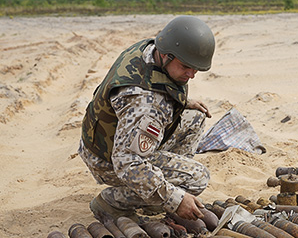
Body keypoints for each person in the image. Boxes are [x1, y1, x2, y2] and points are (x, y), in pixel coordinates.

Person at [78, 15, 215, 223]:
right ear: (167, 55)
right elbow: (127, 162)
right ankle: (112, 202)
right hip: (107, 160)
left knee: (194, 117)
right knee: (197, 179)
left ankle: (153, 192)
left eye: (196, 68)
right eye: (186, 66)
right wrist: (174, 198)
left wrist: (182, 102)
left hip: (109, 137)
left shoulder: (150, 49)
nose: (192, 74)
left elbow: (151, 85)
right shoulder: (145, 103)